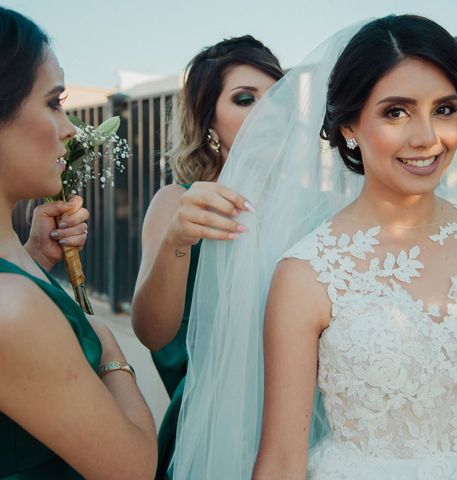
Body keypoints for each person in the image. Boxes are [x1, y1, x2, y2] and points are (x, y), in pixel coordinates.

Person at [174, 15, 457, 480]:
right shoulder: (307, 274)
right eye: (395, 111)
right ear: (349, 128)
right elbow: (281, 460)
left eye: (444, 109)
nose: (426, 137)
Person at [0, 7, 157, 479]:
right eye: (53, 103)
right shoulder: (12, 311)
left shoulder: (16, 276)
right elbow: (134, 468)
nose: (69, 129)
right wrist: (107, 347)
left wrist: (31, 260)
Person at [130, 35, 285, 479]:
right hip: (214, 423)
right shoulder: (176, 202)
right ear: (209, 121)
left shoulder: (319, 206)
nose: (266, 113)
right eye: (244, 99)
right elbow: (153, 333)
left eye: (277, 98)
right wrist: (179, 236)